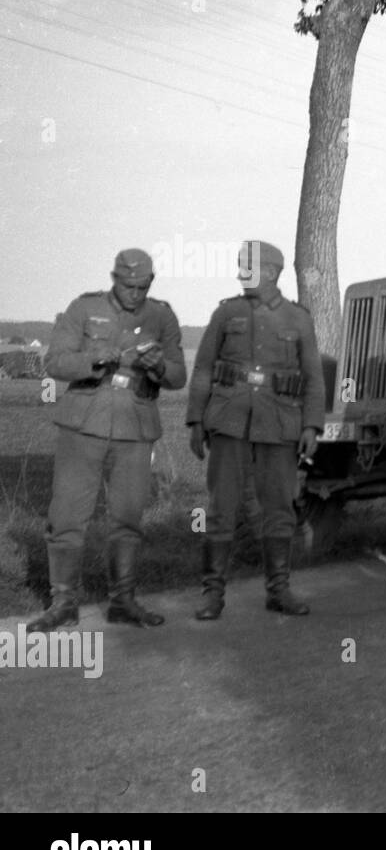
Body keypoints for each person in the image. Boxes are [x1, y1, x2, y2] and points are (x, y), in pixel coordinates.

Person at [28, 248, 186, 632]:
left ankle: (123, 600)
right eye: (127, 285)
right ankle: (63, 602)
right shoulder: (84, 308)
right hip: (84, 425)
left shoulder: (161, 315)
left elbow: (179, 376)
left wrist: (160, 366)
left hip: (135, 429)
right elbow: (54, 362)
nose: (134, 292)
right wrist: (92, 358)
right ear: (114, 278)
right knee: (67, 516)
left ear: (151, 283)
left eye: (142, 286)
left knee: (128, 519)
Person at [187, 241, 325, 619]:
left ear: (271, 272)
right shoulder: (226, 313)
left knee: (279, 507)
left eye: (247, 267)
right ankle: (212, 594)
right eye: (239, 266)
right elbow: (202, 369)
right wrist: (196, 420)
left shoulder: (299, 319)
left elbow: (313, 378)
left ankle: (278, 590)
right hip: (229, 422)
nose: (239, 273)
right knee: (221, 507)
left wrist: (312, 425)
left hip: (279, 426)